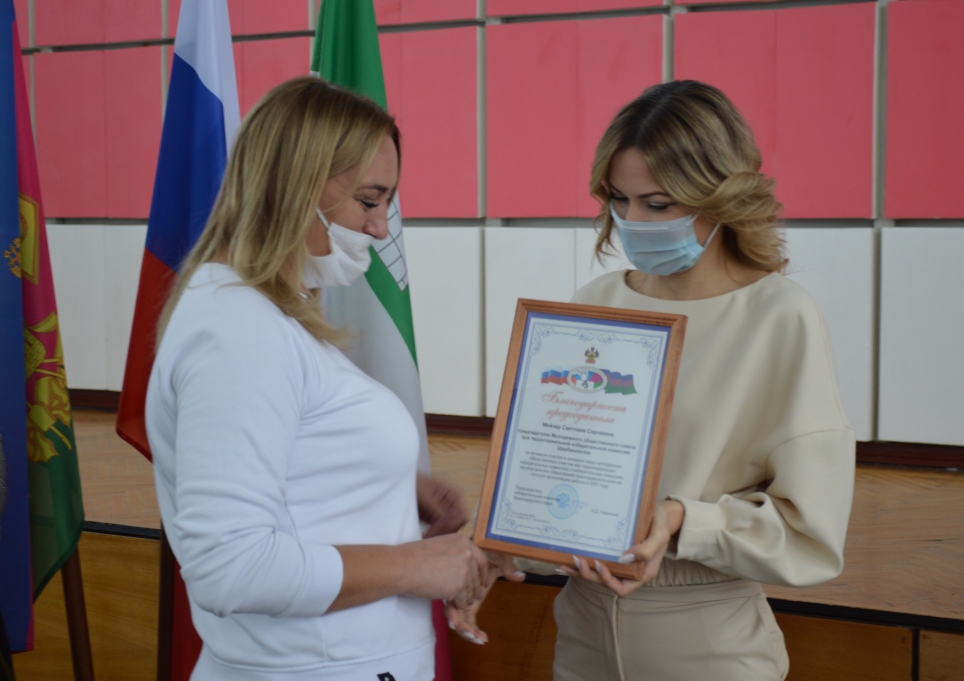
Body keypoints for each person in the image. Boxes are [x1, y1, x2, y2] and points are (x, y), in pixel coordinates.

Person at [454, 80, 856, 679]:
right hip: (582, 631)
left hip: (705, 638)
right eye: (619, 199)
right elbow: (558, 462)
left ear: (721, 196)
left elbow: (810, 532)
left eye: (659, 205)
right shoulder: (596, 301)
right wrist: (496, 543)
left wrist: (682, 519)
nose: (632, 222)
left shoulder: (779, 317)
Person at [146, 76, 502, 680]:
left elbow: (292, 472)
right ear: (293, 183)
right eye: (369, 200)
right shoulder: (240, 328)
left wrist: (385, 483)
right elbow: (231, 567)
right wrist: (415, 565)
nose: (381, 227)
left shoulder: (259, 314)